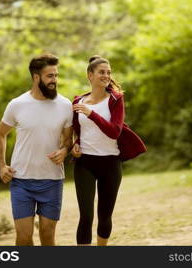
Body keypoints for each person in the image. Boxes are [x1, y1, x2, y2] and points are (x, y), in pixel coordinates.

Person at [0, 53, 73, 246]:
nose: (54, 80)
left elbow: (68, 140)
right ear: (36, 77)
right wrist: (2, 166)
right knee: (23, 237)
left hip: (52, 180)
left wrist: (64, 151)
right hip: (21, 181)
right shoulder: (17, 104)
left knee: (47, 235)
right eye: (50, 76)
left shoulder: (65, 105)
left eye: (56, 75)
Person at [71, 55, 146, 246]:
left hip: (110, 164)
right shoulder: (78, 101)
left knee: (104, 217)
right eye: (101, 72)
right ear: (90, 75)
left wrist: (92, 113)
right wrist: (75, 144)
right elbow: (76, 130)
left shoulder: (115, 100)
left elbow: (114, 132)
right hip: (85, 163)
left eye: (108, 72)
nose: (106, 75)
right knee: (86, 217)